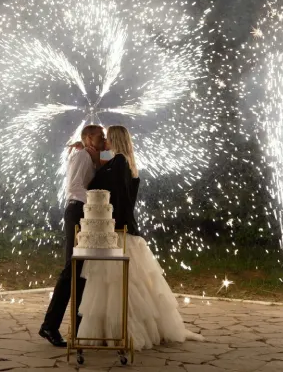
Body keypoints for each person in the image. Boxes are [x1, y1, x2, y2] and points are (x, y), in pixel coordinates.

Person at [76, 125, 204, 350]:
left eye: (107, 137)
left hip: (118, 230)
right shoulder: (125, 162)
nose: (104, 140)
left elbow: (101, 188)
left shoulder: (118, 163)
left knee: (116, 285)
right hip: (125, 228)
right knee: (133, 282)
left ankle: (122, 331)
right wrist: (95, 159)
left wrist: (95, 162)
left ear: (114, 139)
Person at [38, 124, 107, 347]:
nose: (103, 139)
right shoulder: (82, 156)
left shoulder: (89, 155)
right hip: (77, 211)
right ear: (88, 138)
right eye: (99, 136)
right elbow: (74, 187)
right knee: (72, 268)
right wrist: (96, 202)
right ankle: (50, 326)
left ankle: (77, 327)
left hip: (82, 212)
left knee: (79, 271)